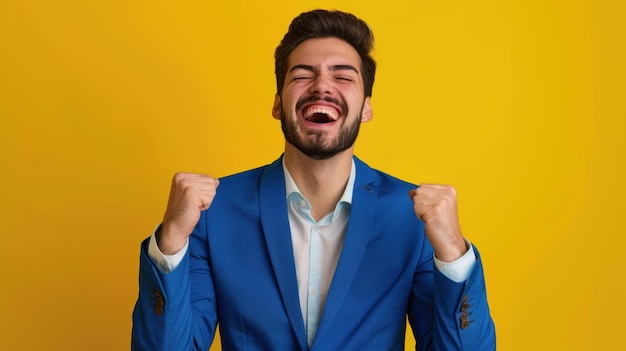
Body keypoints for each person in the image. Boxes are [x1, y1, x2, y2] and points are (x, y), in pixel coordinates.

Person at [131, 9, 496, 351]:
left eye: (342, 75)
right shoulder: (211, 212)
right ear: (278, 104)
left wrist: (452, 252)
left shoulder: (413, 217)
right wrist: (172, 241)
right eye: (303, 74)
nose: (322, 86)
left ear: (366, 106)